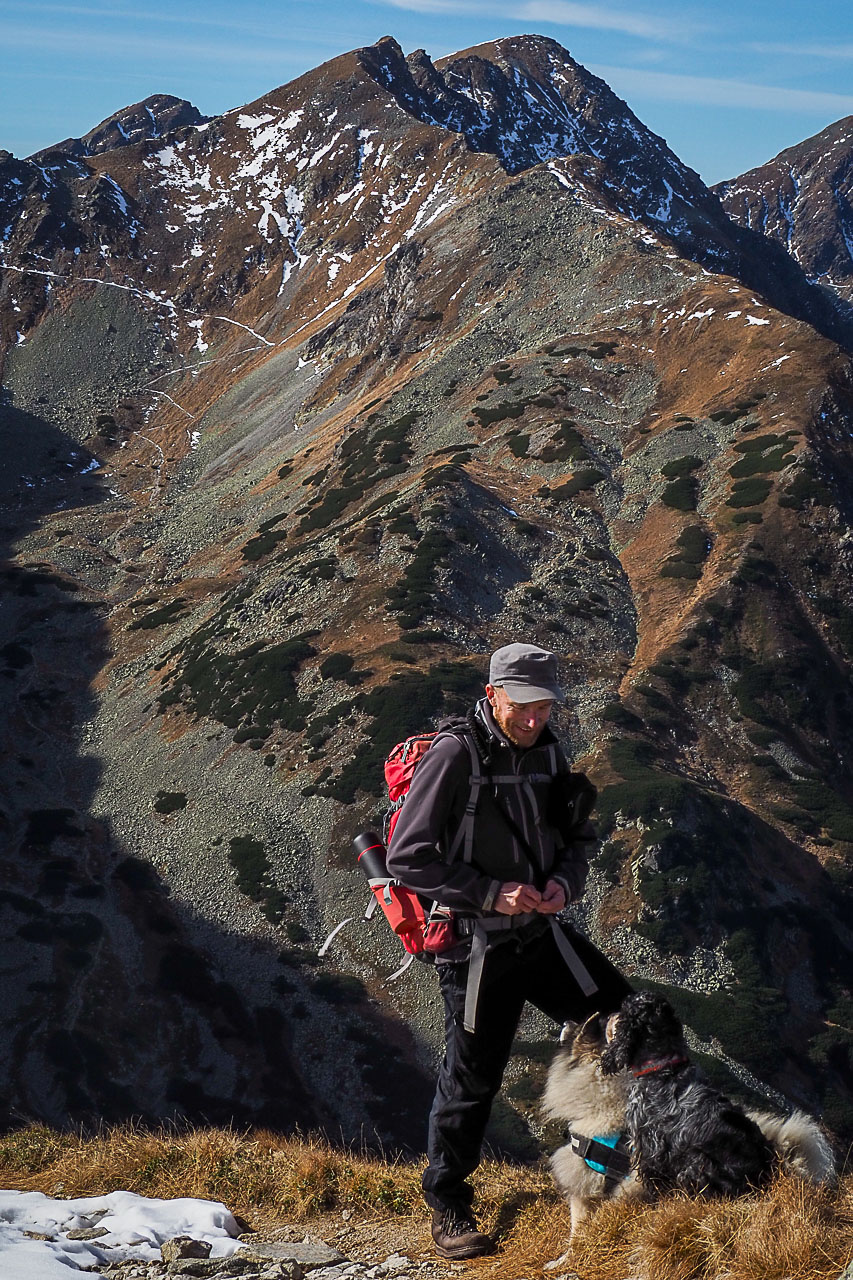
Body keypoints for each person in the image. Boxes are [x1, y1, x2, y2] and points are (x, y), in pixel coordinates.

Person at [386, 642, 632, 1259]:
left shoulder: (548, 749)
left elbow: (577, 833)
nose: (533, 718)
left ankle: (617, 1164)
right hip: (475, 945)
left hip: (539, 932)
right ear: (494, 693)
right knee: (473, 1077)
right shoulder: (454, 756)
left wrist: (563, 884)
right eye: (522, 705)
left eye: (544, 706)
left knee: (626, 1022)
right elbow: (408, 857)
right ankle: (448, 1206)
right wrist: (492, 894)